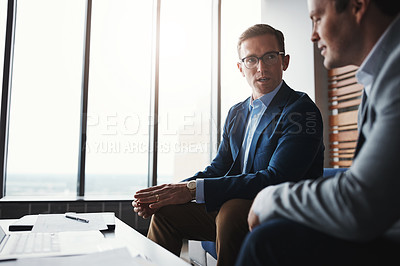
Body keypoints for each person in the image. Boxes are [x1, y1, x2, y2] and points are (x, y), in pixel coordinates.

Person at [132, 24, 325, 266]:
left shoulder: (301, 110)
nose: (261, 67)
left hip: (285, 214)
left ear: (284, 61)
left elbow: (277, 178)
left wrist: (191, 190)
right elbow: (218, 168)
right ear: (240, 67)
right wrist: (169, 193)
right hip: (234, 213)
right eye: (251, 60)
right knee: (166, 213)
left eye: (270, 57)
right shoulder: (237, 112)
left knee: (231, 210)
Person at [236, 0, 400, 265]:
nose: (312, 35)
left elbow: (361, 203)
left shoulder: (302, 109)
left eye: (317, 18)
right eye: (251, 59)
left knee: (266, 241)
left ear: (358, 7)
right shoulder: (377, 78)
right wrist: (190, 187)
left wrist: (271, 198)